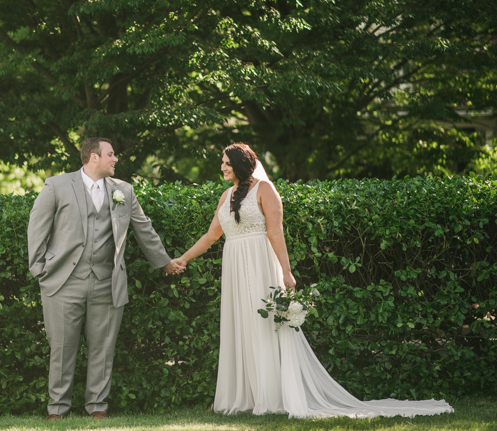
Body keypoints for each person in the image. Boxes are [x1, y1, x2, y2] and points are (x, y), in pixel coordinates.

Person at [174, 143, 453, 418]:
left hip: (261, 264)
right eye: (222, 162)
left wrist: (286, 271)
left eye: (226, 162)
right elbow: (211, 236)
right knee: (241, 325)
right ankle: (244, 395)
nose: (222, 167)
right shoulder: (226, 196)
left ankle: (271, 395)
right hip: (234, 265)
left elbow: (275, 232)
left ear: (241, 163)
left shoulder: (265, 190)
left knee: (264, 326)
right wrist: (183, 259)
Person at [28, 137, 183, 420]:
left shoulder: (124, 190)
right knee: (62, 347)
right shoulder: (57, 185)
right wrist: (39, 269)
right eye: (111, 154)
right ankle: (57, 409)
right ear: (93, 157)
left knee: (103, 347)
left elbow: (143, 228)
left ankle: (97, 407)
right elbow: (37, 227)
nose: (115, 159)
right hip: (63, 281)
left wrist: (164, 262)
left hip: (107, 280)